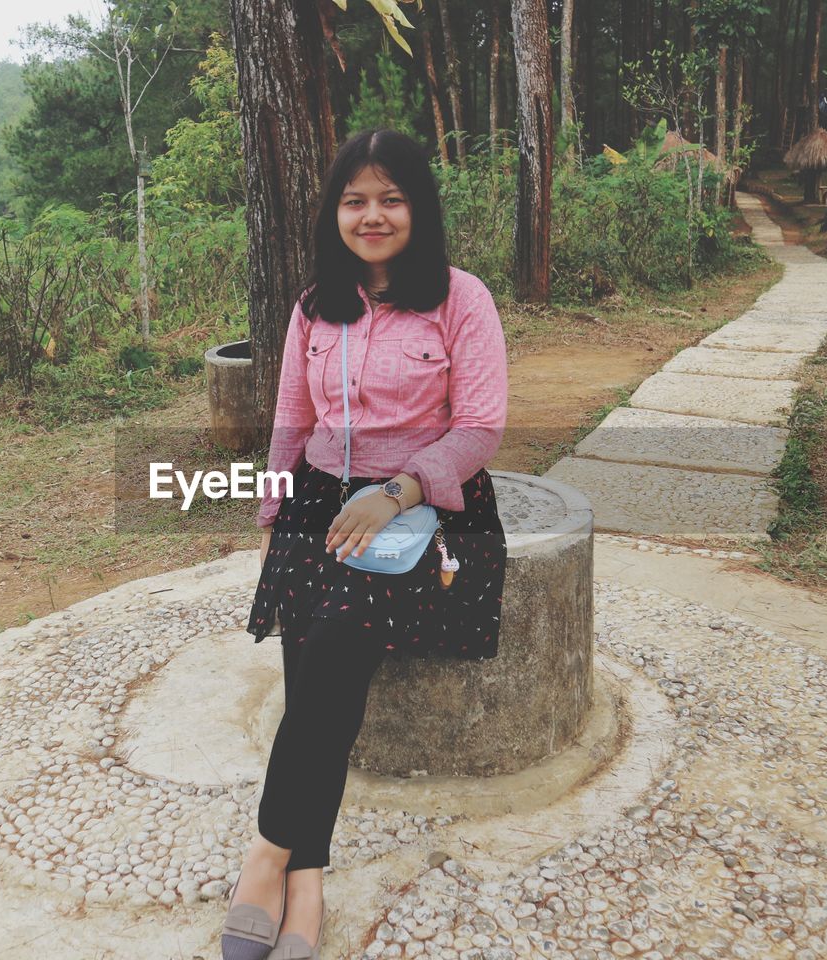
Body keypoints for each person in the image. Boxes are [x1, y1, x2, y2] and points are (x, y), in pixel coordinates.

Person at [220, 128, 509, 960]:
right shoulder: (316, 306)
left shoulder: (462, 299)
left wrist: (399, 489)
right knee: (309, 669)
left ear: (418, 207)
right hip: (320, 503)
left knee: (336, 646)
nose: (372, 215)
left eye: (391, 198)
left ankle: (266, 857)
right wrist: (275, 508)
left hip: (422, 511)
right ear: (334, 213)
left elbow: (482, 426)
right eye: (355, 200)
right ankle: (306, 884)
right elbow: (291, 419)